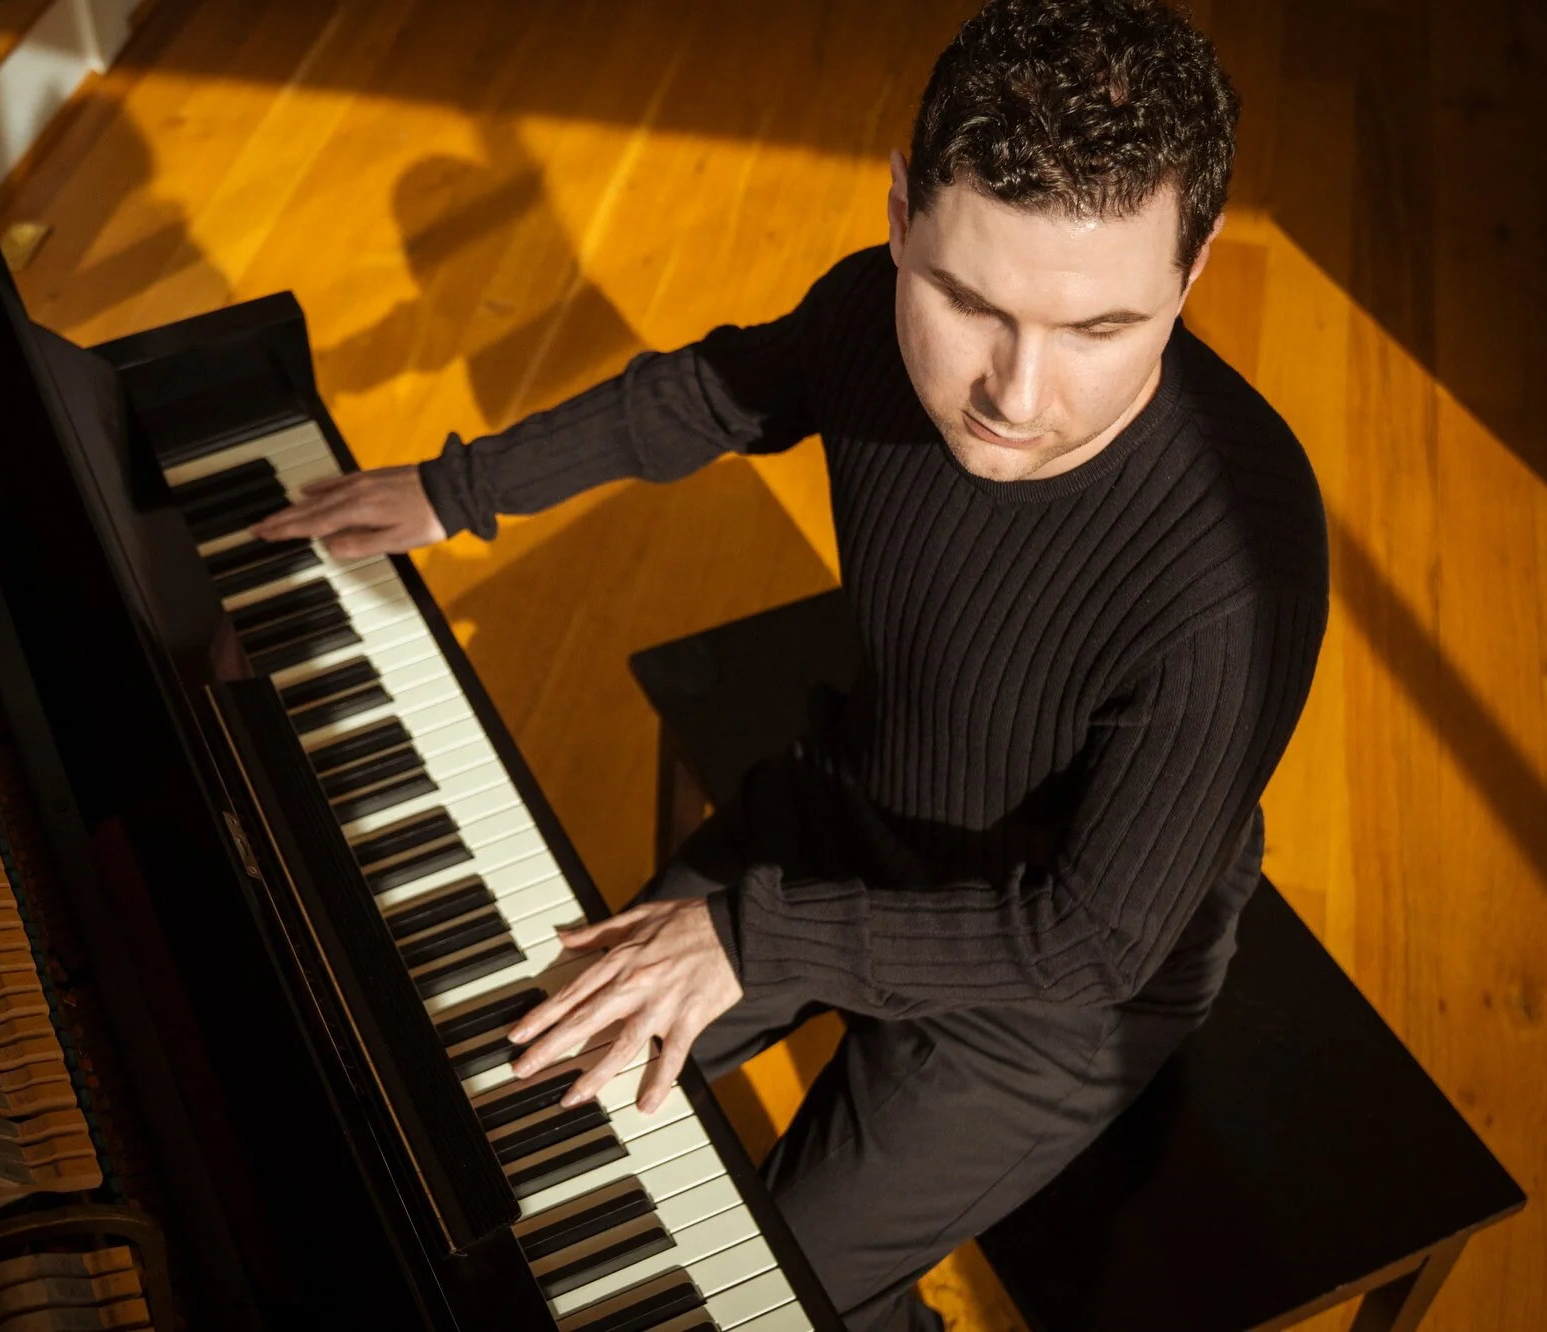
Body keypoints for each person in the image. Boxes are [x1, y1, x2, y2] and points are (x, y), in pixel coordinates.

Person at [252, 1, 1328, 1327]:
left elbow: (1092, 942)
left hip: (1046, 983)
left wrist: (753, 933)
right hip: (849, 822)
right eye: (965, 300)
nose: (1017, 393)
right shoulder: (865, 317)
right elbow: (708, 394)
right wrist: (456, 487)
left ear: (1196, 261)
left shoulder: (1242, 568)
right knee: (515, 1103)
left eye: (1101, 330)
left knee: (747, 1297)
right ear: (897, 216)